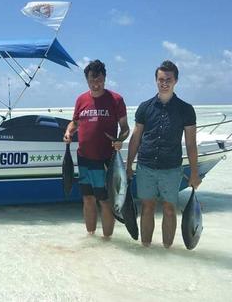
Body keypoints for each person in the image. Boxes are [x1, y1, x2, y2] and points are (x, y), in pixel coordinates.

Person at [126, 60, 201, 248]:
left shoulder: (185, 109)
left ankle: (167, 250)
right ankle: (146, 248)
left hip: (172, 168)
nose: (164, 83)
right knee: (147, 207)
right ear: (155, 80)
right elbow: (136, 138)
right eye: (160, 79)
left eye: (168, 79)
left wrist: (194, 173)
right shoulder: (145, 107)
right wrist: (128, 165)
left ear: (175, 81)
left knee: (169, 209)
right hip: (146, 166)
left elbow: (191, 144)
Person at [63, 60, 129, 238]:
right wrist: (69, 132)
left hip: (106, 160)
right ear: (87, 80)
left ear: (105, 78)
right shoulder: (81, 100)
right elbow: (75, 123)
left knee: (106, 201)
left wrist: (120, 140)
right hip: (84, 158)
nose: (96, 84)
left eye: (99, 80)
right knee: (88, 198)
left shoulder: (116, 99)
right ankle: (90, 237)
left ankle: (107, 240)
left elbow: (125, 128)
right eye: (92, 81)